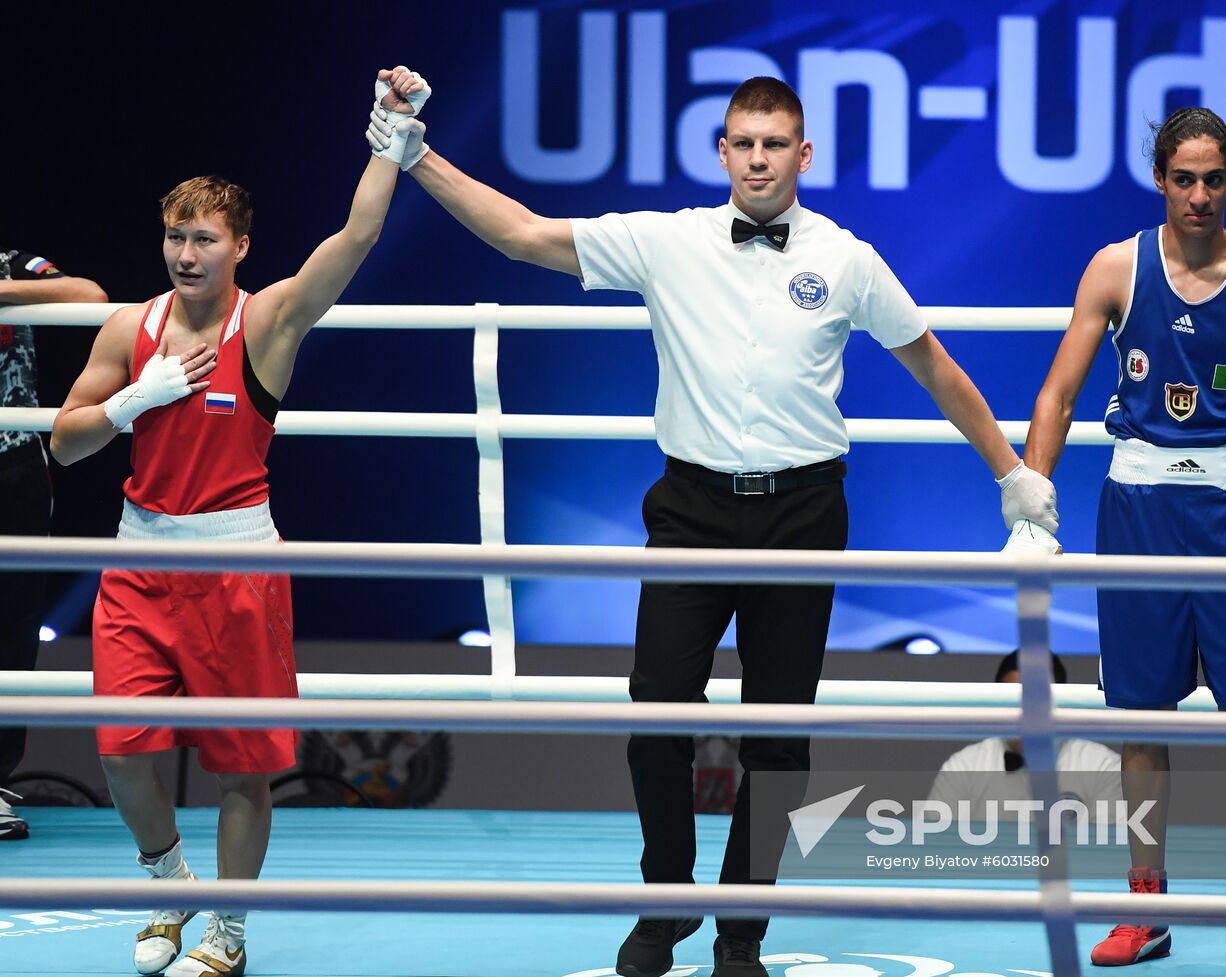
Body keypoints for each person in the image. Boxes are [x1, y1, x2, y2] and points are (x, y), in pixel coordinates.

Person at [368, 74, 1059, 977]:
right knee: (655, 713)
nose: (759, 158)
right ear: (722, 151)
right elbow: (524, 235)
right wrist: (416, 156)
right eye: (744, 142)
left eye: (775, 144)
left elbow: (931, 363)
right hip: (691, 509)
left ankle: (743, 928)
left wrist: (1012, 474)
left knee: (778, 738)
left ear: (802, 155)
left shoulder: (847, 257)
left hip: (805, 513)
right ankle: (665, 902)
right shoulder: (670, 240)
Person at [48, 68, 428, 977]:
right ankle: (166, 880)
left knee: (242, 766)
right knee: (122, 753)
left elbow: (359, 234)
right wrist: (127, 406)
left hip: (237, 567)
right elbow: (62, 447)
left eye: (204, 238)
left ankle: (228, 927)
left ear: (239, 246)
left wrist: (390, 126)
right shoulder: (126, 331)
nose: (185, 253)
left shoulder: (269, 323)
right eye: (175, 235)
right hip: (138, 562)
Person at [1023, 107, 1226, 973]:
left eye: (1211, 179)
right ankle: (1143, 906)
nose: (1197, 195)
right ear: (1160, 178)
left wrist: (1225, 435)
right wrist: (1031, 508)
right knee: (1139, 722)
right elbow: (1059, 395)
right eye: (1181, 178)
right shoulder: (1116, 267)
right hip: (1137, 508)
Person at [0, 250, 107, 840]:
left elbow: (89, 295)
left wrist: (3, 291)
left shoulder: (17, 261)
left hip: (15, 467)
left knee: (12, 631)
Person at [931, 651, 1120, 813]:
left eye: (1034, 701)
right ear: (996, 705)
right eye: (1012, 702)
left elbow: (1114, 851)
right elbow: (932, 848)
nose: (1024, 714)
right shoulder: (964, 766)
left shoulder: (1102, 767)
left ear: (1059, 704)